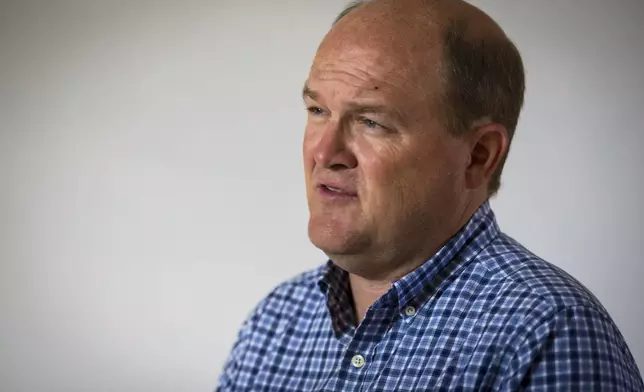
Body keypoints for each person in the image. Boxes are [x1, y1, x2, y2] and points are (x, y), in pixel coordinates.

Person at [216, 0, 644, 390]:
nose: (325, 153)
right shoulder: (275, 325)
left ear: (478, 156)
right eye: (318, 111)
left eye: (372, 122)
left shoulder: (548, 334)